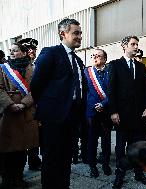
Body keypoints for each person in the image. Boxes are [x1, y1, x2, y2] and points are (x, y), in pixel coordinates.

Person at [30, 18, 86, 189]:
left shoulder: (77, 60)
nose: (79, 36)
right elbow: (36, 85)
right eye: (75, 33)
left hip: (72, 118)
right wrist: (48, 111)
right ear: (63, 34)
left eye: (80, 33)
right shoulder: (50, 53)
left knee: (66, 158)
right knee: (52, 159)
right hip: (54, 119)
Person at [108, 36, 146, 189]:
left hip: (140, 116)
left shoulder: (140, 67)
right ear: (124, 46)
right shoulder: (114, 65)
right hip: (123, 116)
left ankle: (139, 173)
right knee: (121, 148)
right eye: (133, 44)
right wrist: (113, 112)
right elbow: (111, 90)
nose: (136, 47)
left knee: (139, 147)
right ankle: (119, 176)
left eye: (137, 44)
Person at [0, 42, 39, 188]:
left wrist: (24, 103)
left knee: (22, 148)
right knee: (8, 149)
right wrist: (10, 104)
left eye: (15, 51)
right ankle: (7, 180)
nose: (11, 53)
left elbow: (36, 89)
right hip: (9, 114)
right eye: (10, 51)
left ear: (23, 53)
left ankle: (19, 178)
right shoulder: (3, 68)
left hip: (26, 112)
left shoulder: (32, 68)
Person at [85, 48, 112, 178]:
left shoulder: (111, 72)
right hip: (91, 111)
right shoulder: (87, 72)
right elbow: (84, 93)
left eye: (98, 55)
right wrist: (94, 106)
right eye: (93, 55)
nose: (95, 57)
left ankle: (105, 163)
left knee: (106, 140)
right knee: (92, 140)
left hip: (106, 111)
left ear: (105, 59)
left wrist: (104, 104)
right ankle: (92, 166)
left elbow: (114, 91)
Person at [18, 38, 42, 171]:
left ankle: (34, 161)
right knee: (21, 137)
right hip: (22, 105)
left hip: (36, 106)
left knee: (35, 135)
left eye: (34, 49)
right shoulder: (17, 66)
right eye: (29, 49)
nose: (32, 51)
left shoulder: (37, 65)